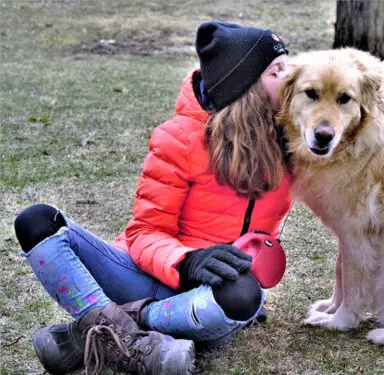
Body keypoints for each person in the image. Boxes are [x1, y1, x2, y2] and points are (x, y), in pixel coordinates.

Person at [14, 21, 292, 375]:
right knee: (37, 221)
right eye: (277, 70)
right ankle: (128, 340)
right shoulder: (177, 139)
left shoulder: (296, 140)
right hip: (146, 275)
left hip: (210, 298)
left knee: (243, 296)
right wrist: (188, 262)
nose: (291, 77)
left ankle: (103, 330)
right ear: (245, 84)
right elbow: (144, 234)